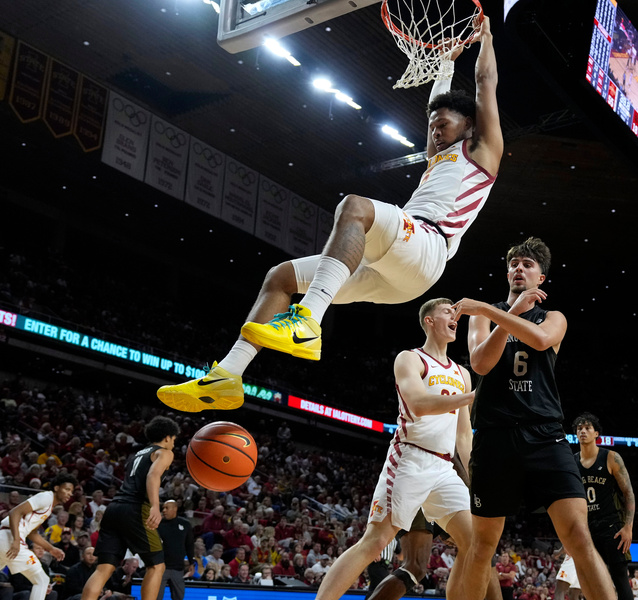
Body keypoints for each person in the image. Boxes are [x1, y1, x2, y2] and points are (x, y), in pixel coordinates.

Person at [156, 16, 503, 412]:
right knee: (280, 277)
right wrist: (444, 65)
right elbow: (434, 108)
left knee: (355, 206)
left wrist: (487, 38)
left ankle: (308, 323)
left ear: (470, 125)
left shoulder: (482, 153)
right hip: (394, 268)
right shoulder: (437, 156)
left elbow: (485, 84)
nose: (435, 131)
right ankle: (227, 376)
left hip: (427, 247)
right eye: (432, 126)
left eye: (443, 125)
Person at [449, 237, 638, 600]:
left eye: (528, 265)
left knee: (579, 536)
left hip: (545, 438)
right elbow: (481, 364)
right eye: (514, 264)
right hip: (496, 439)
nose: (519, 269)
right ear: (508, 274)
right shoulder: (483, 320)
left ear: (542, 278)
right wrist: (507, 313)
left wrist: (498, 310)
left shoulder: (553, 317)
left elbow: (541, 340)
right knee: (482, 546)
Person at [280, 298, 478, 600]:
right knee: (374, 543)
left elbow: (464, 436)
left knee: (477, 543)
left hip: (443, 467)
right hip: (410, 459)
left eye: (457, 314)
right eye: (449, 313)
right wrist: (472, 396)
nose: (456, 318)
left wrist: (476, 480)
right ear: (430, 320)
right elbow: (417, 404)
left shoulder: (462, 373)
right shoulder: (410, 358)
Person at [65, 416, 179, 600]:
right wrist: (156, 507)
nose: (174, 444)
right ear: (167, 437)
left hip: (113, 508)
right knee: (156, 565)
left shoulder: (137, 454)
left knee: (103, 568)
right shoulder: (165, 452)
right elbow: (152, 476)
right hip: (135, 510)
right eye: (174, 440)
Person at [568, 414, 637, 600]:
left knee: (619, 578)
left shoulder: (611, 457)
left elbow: (628, 493)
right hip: (587, 530)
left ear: (597, 433)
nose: (582, 431)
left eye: (587, 427)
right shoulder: (572, 461)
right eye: (579, 428)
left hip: (612, 527)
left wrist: (628, 527)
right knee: (592, 583)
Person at [156, 499, 193, 600]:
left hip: (178, 569)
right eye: (163, 508)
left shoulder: (185, 524)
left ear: (175, 509)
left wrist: (191, 562)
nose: (163, 510)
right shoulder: (158, 524)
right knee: (156, 599)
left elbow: (189, 544)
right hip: (161, 568)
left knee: (178, 599)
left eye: (166, 507)